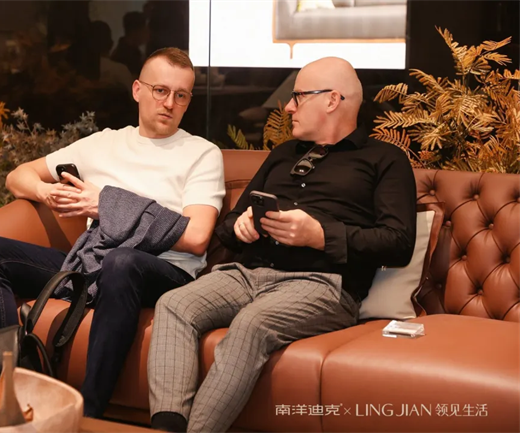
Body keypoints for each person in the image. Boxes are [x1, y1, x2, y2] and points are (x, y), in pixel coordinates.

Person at [147, 57, 417, 433]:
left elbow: (398, 243)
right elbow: (227, 227)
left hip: (321, 284)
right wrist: (242, 226)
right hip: (244, 274)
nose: (288, 107)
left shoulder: (384, 160)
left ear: (332, 99)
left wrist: (320, 235)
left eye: (298, 96)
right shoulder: (283, 155)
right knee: (174, 305)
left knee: (251, 324)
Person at [0, 47, 225, 419]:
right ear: (137, 90)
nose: (169, 103)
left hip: (165, 269)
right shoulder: (104, 143)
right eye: (160, 91)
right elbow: (18, 175)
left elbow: (196, 237)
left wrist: (108, 205)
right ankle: (13, 390)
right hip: (91, 263)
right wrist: (46, 192)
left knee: (122, 261)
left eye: (181, 95)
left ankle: (88, 414)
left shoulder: (201, 153)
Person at [111, 11, 148, 77]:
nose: (147, 33)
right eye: (144, 29)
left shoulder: (133, 52)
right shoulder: (125, 55)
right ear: (135, 31)